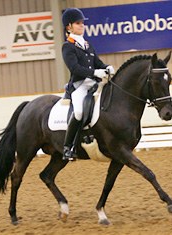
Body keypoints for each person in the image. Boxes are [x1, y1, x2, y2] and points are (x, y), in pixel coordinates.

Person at [61, 8, 115, 161]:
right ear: (69, 26)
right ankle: (68, 147)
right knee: (78, 112)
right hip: (79, 85)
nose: (82, 25)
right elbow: (75, 68)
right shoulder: (68, 46)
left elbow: (97, 62)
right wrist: (94, 73)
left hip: (93, 83)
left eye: (82, 23)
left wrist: (106, 67)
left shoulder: (87, 45)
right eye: (78, 23)